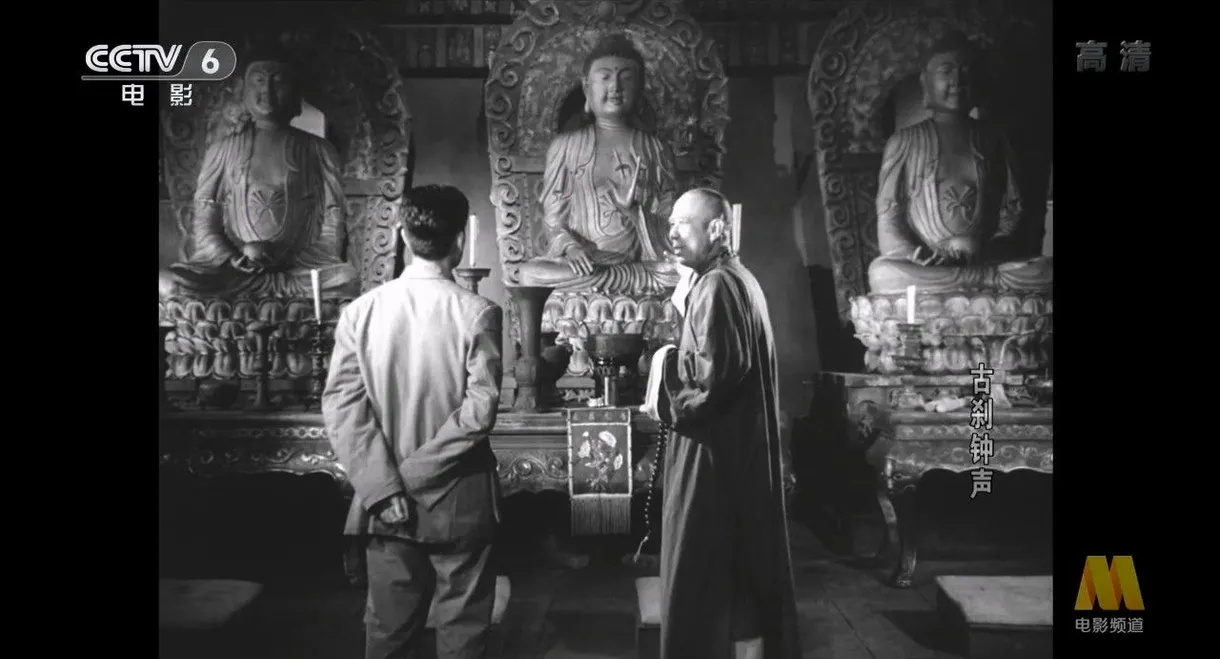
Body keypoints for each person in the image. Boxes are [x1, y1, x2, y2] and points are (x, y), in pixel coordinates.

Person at [323, 185, 504, 659]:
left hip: (385, 507)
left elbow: (343, 409)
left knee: (387, 632)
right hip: (459, 499)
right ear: (461, 240)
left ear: (403, 235)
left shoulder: (359, 313)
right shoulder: (478, 312)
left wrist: (386, 489)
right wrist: (414, 478)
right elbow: (478, 413)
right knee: (463, 633)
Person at [647, 188, 801, 659]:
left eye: (683, 224)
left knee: (702, 564)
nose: (671, 234)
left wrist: (664, 364)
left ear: (717, 228)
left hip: (712, 451)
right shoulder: (735, 279)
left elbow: (709, 381)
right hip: (738, 446)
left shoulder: (717, 285)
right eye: (669, 224)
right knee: (738, 568)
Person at [161, 49, 359, 300]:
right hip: (233, 273)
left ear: (297, 94)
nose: (267, 90)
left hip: (298, 271)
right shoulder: (223, 149)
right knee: (170, 284)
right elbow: (204, 221)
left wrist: (294, 260)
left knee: (346, 279)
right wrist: (233, 258)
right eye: (258, 80)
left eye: (278, 81)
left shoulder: (318, 150)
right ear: (243, 93)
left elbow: (333, 223)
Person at [868, 32, 1051, 294]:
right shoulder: (904, 141)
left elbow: (1013, 208)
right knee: (883, 273)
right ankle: (977, 288)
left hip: (988, 261)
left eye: (967, 71)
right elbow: (889, 218)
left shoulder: (995, 139)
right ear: (926, 81)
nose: (958, 79)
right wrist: (916, 255)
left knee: (1043, 271)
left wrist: (985, 248)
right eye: (947, 70)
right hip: (929, 268)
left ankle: (977, 283)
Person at [515, 33, 680, 296]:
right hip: (584, 269)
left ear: (639, 88)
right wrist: (571, 248)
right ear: (586, 87)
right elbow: (553, 221)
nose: (615, 86)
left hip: (640, 269)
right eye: (605, 77)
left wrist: (635, 212)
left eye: (626, 77)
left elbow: (670, 226)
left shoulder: (656, 150)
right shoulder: (566, 146)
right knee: (530, 273)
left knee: (676, 274)